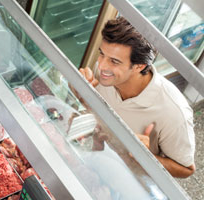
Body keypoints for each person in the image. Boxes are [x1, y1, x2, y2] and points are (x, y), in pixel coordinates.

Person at [79, 16, 195, 178]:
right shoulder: (106, 73)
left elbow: (186, 169)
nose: (102, 65)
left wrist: (145, 157)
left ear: (139, 66)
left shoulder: (173, 112)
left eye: (114, 61)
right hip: (95, 158)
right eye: (101, 54)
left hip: (129, 180)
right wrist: (80, 93)